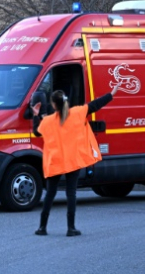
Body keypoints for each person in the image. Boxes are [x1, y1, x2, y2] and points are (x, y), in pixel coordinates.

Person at [35, 84, 119, 237]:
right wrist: (111, 94)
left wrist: (36, 115)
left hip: (55, 162)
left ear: (53, 105)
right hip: (72, 160)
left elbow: (36, 132)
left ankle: (42, 227)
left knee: (50, 194)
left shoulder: (47, 121)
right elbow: (95, 105)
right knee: (71, 193)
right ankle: (71, 228)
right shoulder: (77, 113)